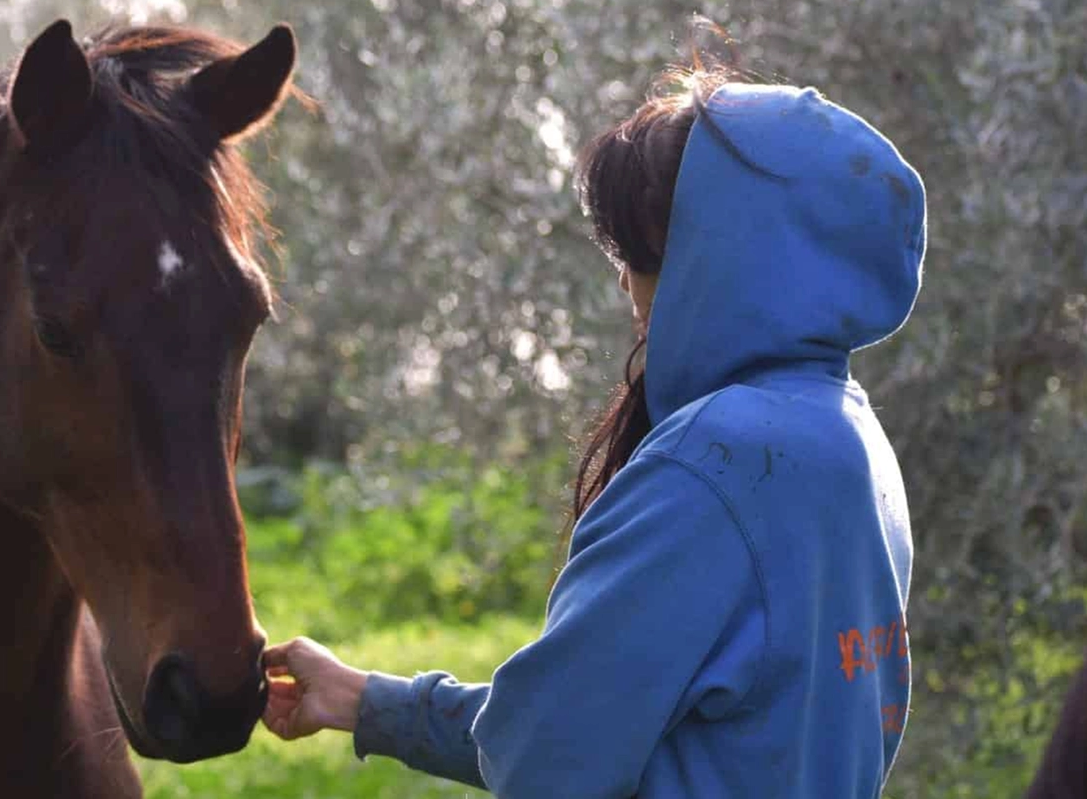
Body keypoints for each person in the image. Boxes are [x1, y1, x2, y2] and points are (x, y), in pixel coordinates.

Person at [260, 62, 927, 798]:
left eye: (639, 252)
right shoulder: (854, 444)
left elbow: (542, 751)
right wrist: (363, 700)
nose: (624, 282)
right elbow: (612, 714)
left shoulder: (714, 462)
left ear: (726, 254)